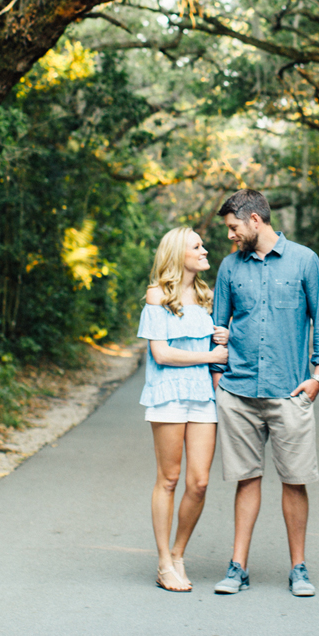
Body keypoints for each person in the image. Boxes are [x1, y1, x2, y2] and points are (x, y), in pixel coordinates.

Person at [208, 189, 319, 598]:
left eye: (233, 228)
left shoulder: (304, 260)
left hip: (289, 391)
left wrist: (318, 376)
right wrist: (217, 377)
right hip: (239, 391)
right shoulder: (230, 267)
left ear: (254, 221)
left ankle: (298, 568)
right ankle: (237, 567)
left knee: (294, 480)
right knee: (246, 480)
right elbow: (219, 325)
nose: (230, 236)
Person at [137, 226, 229, 592]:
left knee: (200, 482)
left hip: (202, 396)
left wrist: (224, 336)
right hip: (168, 393)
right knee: (169, 479)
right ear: (179, 254)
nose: (205, 250)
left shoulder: (207, 296)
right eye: (197, 246)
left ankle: (178, 553)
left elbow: (219, 340)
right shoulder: (157, 296)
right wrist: (209, 354)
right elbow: (161, 353)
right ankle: (163, 563)